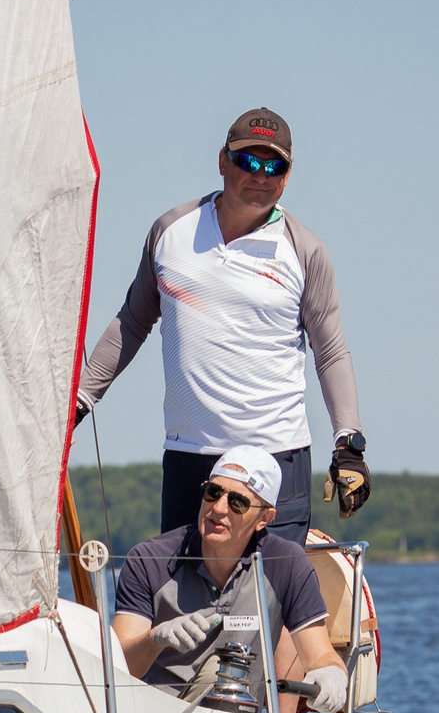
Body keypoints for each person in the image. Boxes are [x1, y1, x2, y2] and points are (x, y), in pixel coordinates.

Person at [73, 108, 370, 543]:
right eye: (248, 161)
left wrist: (348, 444)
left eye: (275, 166)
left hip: (276, 457)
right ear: (222, 161)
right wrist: (78, 402)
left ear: (287, 176)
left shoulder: (305, 249)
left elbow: (330, 353)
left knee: (270, 605)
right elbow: (133, 322)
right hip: (190, 455)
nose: (261, 176)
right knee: (180, 607)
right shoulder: (171, 231)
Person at [110, 446, 349, 713]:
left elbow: (320, 655)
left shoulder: (285, 562)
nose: (219, 508)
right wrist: (156, 638)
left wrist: (332, 677)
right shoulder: (148, 559)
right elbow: (120, 664)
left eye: (238, 503)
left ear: (264, 519)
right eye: (212, 493)